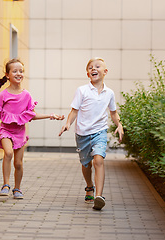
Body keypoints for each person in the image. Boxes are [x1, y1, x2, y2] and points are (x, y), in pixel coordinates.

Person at [0, 58, 64, 199]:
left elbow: (31, 115)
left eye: (21, 71)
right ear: (7, 75)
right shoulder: (3, 95)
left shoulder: (26, 95)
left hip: (20, 133)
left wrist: (50, 115)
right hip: (6, 131)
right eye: (15, 71)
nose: (18, 73)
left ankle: (17, 188)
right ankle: (6, 184)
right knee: (8, 153)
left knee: (18, 163)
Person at [59, 57, 124, 210]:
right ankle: (89, 186)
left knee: (98, 160)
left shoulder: (109, 93)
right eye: (90, 68)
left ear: (105, 71)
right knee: (86, 164)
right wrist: (68, 123)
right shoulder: (82, 90)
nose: (93, 69)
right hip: (82, 133)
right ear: (88, 74)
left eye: (97, 66)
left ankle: (98, 196)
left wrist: (119, 125)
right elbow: (74, 110)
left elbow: (113, 113)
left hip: (99, 132)